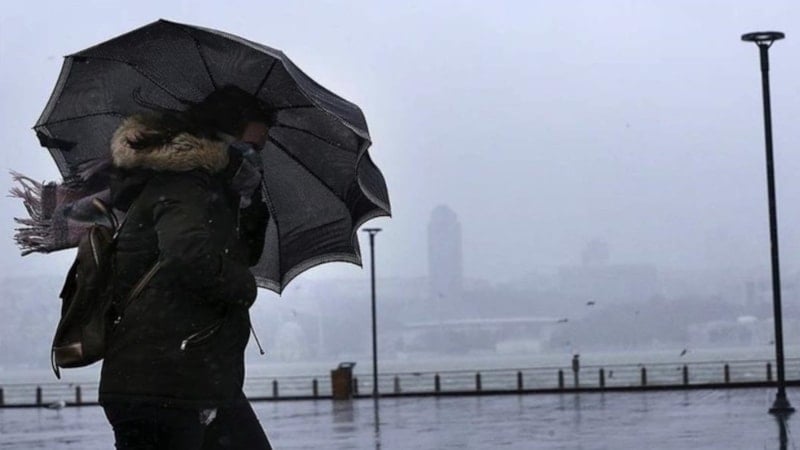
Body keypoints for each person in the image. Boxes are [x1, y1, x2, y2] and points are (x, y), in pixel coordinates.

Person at [99, 87, 272, 449]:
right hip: (163, 383)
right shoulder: (183, 182)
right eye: (249, 147)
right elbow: (187, 254)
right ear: (222, 138)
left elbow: (243, 254)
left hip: (195, 379)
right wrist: (245, 288)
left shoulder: (213, 190)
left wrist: (250, 201)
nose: (255, 157)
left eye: (261, 149)